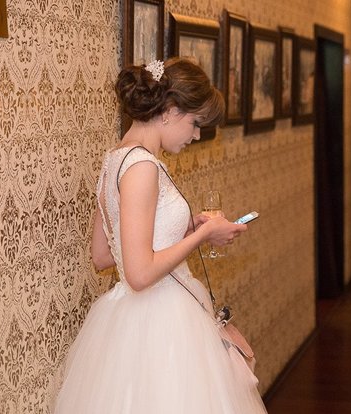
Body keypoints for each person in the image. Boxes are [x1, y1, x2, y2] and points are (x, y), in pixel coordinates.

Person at [53, 58, 268, 413]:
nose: (195, 136)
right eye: (195, 123)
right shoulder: (142, 167)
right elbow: (139, 275)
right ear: (169, 111)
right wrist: (203, 234)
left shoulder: (115, 160)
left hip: (126, 321)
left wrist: (185, 229)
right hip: (163, 324)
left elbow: (104, 256)